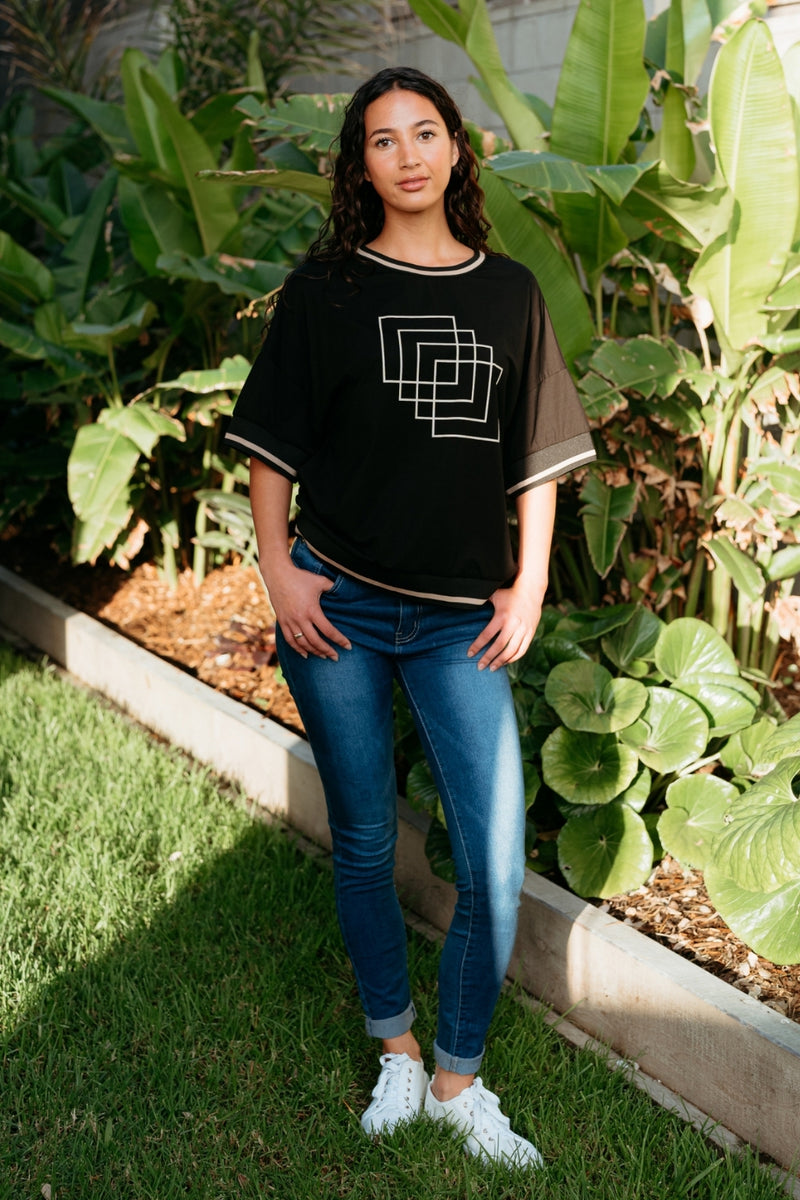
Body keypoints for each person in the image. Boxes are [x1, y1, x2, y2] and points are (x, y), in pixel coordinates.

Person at [224, 66, 595, 1168]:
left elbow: (536, 458)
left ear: (456, 149)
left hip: (456, 623)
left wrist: (529, 583)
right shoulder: (326, 290)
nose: (407, 155)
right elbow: (272, 448)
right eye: (382, 140)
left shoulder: (509, 294)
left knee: (492, 858)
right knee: (365, 836)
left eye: (423, 132)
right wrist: (280, 574)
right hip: (334, 604)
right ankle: (395, 1050)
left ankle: (457, 1080)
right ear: (362, 166)